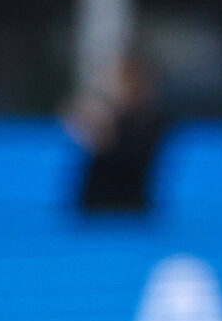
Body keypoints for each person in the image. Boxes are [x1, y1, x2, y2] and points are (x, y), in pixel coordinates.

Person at [67, 53, 168, 216]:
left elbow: (124, 154)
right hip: (96, 210)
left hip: (126, 208)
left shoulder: (152, 123)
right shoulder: (110, 119)